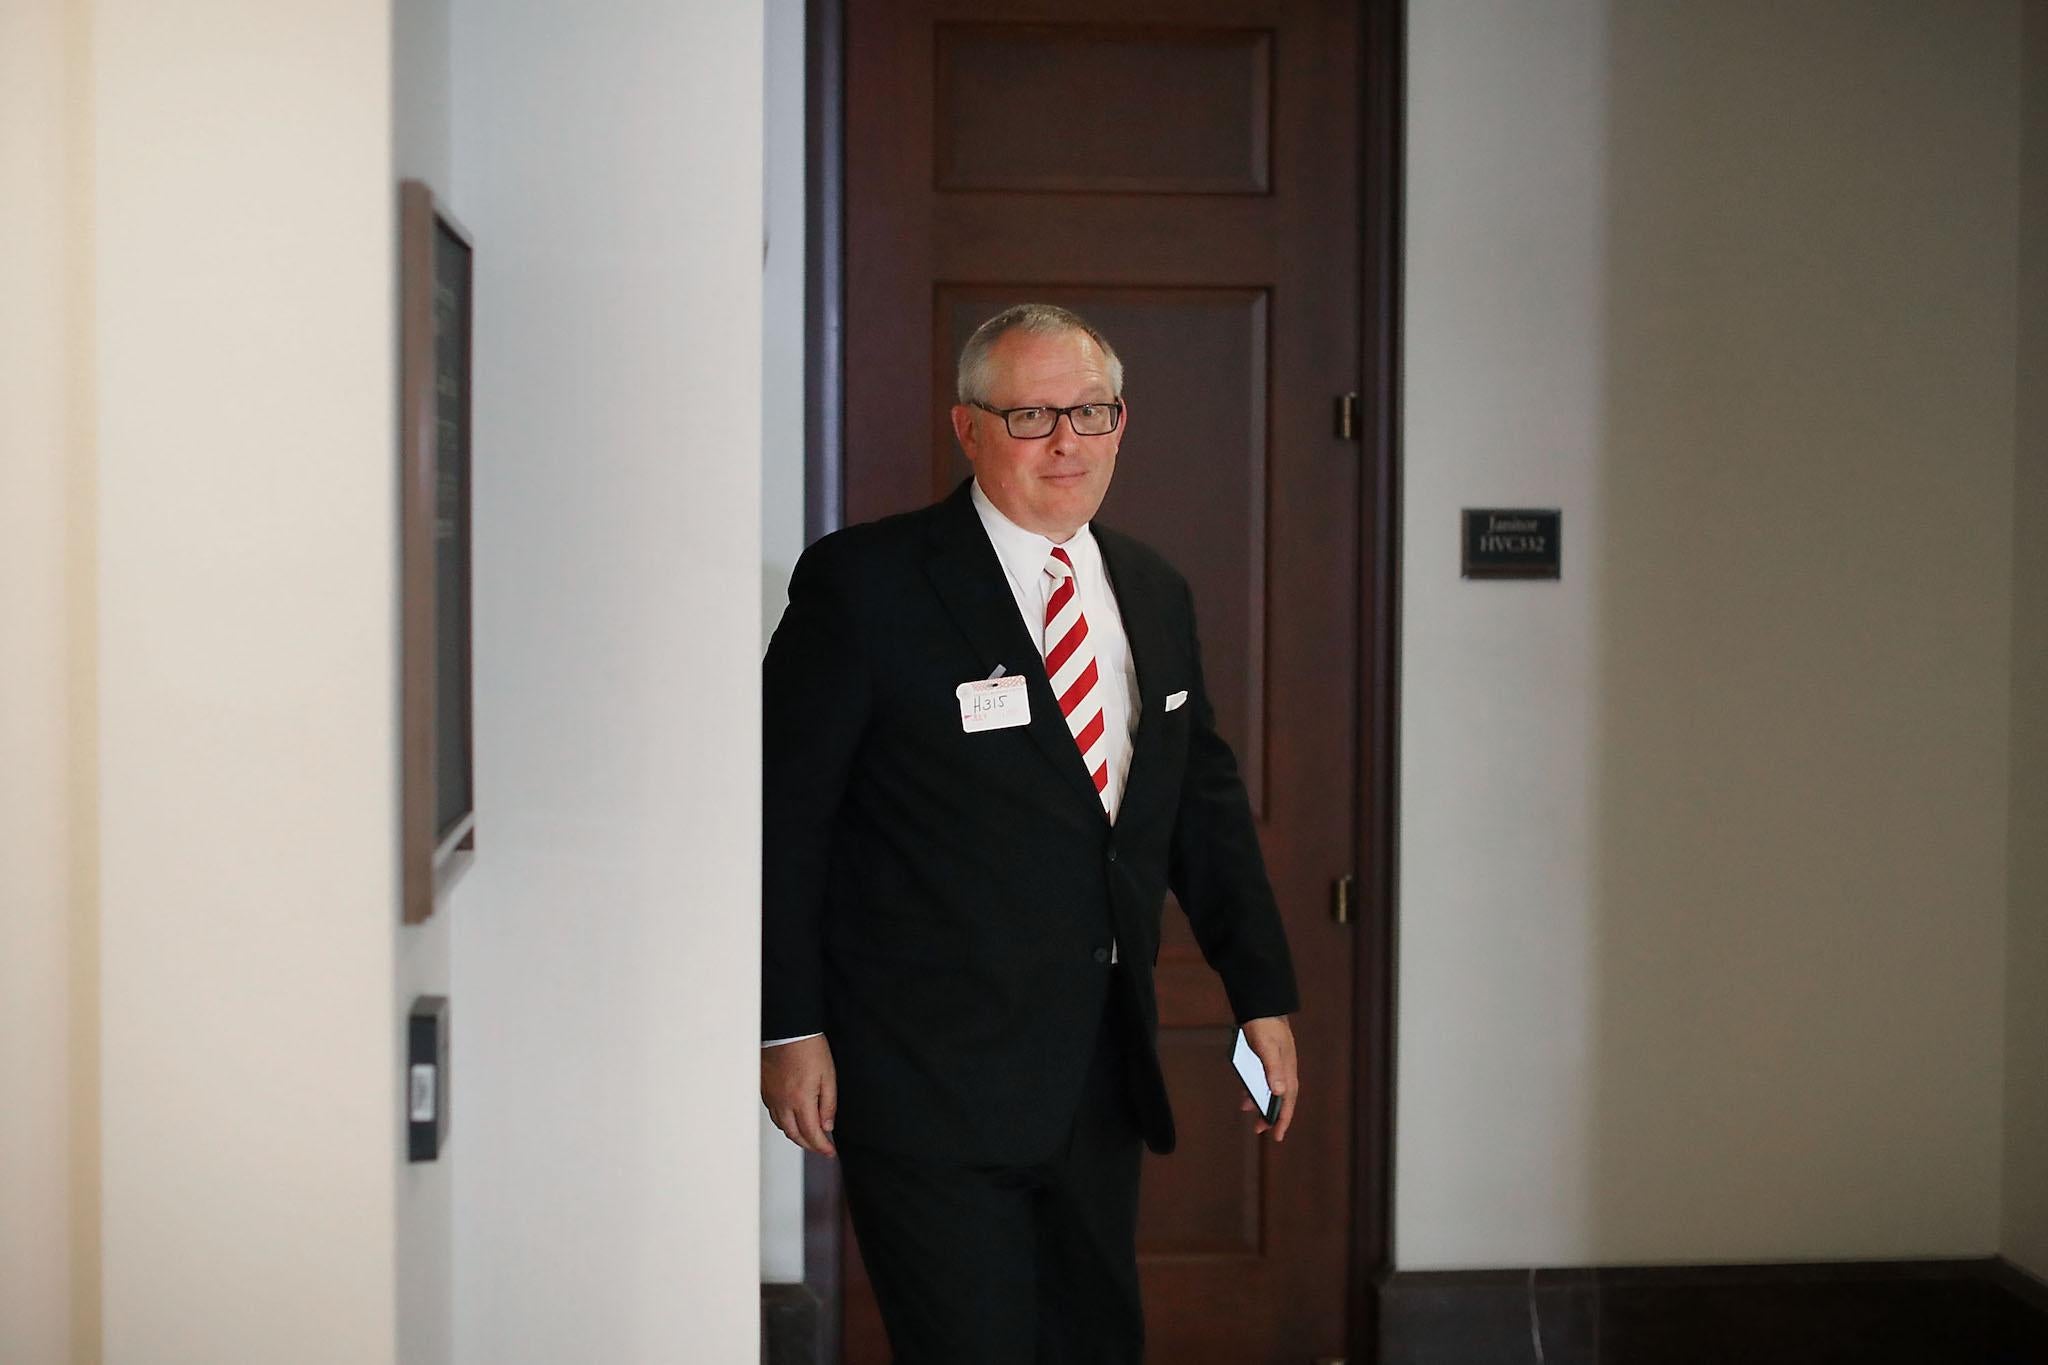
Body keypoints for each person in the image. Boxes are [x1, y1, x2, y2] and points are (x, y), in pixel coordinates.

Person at [761, 303, 1300, 1363]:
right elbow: (782, 817)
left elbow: (1199, 803)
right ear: (966, 429)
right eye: (1032, 416)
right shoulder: (865, 585)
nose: (1067, 442)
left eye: (1090, 413)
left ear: (1119, 423)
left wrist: (1263, 993)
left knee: (1093, 1345)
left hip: (1096, 1072)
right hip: (922, 1074)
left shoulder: (1150, 589)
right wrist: (786, 1026)